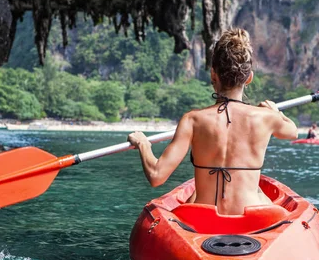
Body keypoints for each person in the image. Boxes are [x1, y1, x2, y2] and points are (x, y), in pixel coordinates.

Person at [128, 28, 298, 215]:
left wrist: (143, 144)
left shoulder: (192, 120)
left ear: (213, 75)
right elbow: (293, 132)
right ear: (249, 78)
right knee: (263, 196)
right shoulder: (267, 117)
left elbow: (156, 176)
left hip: (204, 218)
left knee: (193, 200)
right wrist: (276, 112)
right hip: (252, 218)